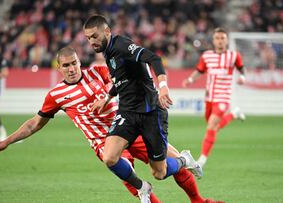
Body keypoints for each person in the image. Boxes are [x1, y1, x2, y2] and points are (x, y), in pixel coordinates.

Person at [0, 46, 222, 203]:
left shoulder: (98, 72)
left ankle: (198, 200)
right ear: (59, 68)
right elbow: (34, 124)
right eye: (65, 65)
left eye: (74, 63)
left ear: (79, 61)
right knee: (140, 189)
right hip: (103, 144)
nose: (71, 68)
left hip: (129, 127)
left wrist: (109, 94)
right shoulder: (56, 95)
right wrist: (7, 141)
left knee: (171, 161)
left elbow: (124, 77)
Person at [83, 15, 203, 202]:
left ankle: (184, 160)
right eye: (88, 38)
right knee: (110, 158)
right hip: (128, 113)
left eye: (95, 36)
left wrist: (163, 86)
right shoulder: (107, 51)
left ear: (107, 31)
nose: (91, 41)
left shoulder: (122, 45)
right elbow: (121, 78)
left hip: (151, 112)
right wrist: (107, 98)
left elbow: (154, 58)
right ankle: (142, 187)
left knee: (159, 173)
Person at [182, 28, 246, 167]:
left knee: (211, 125)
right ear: (213, 40)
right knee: (213, 127)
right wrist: (190, 80)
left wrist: (242, 77)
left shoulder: (233, 56)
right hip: (209, 97)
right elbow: (199, 71)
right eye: (217, 38)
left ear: (227, 40)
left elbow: (241, 69)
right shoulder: (207, 56)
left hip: (223, 97)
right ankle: (234, 114)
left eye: (223, 38)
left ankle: (202, 160)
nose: (220, 41)